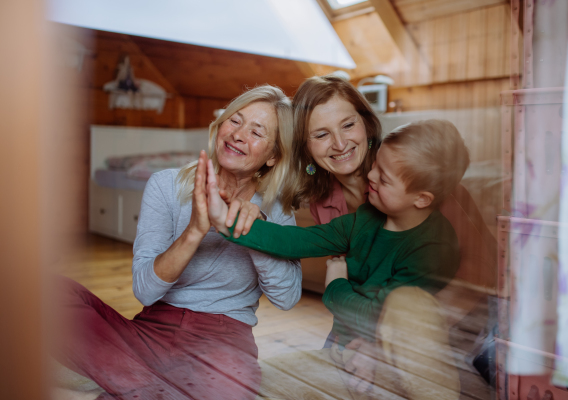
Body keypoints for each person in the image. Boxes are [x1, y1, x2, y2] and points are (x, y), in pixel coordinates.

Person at [54, 85, 302, 400]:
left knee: (228, 386)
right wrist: (195, 231)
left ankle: (133, 384)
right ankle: (156, 388)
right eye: (235, 121)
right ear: (220, 127)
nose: (238, 134)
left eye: (257, 132)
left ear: (273, 156)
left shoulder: (275, 208)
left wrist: (254, 232)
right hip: (151, 330)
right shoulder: (166, 185)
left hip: (224, 342)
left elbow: (288, 297)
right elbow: (144, 290)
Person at [204, 119, 471, 399]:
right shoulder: (365, 219)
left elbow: (378, 316)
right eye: (376, 165)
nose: (371, 176)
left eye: (385, 178)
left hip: (391, 364)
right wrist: (228, 223)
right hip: (344, 353)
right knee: (254, 385)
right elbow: (300, 241)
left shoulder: (434, 247)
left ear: (421, 199)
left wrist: (335, 285)